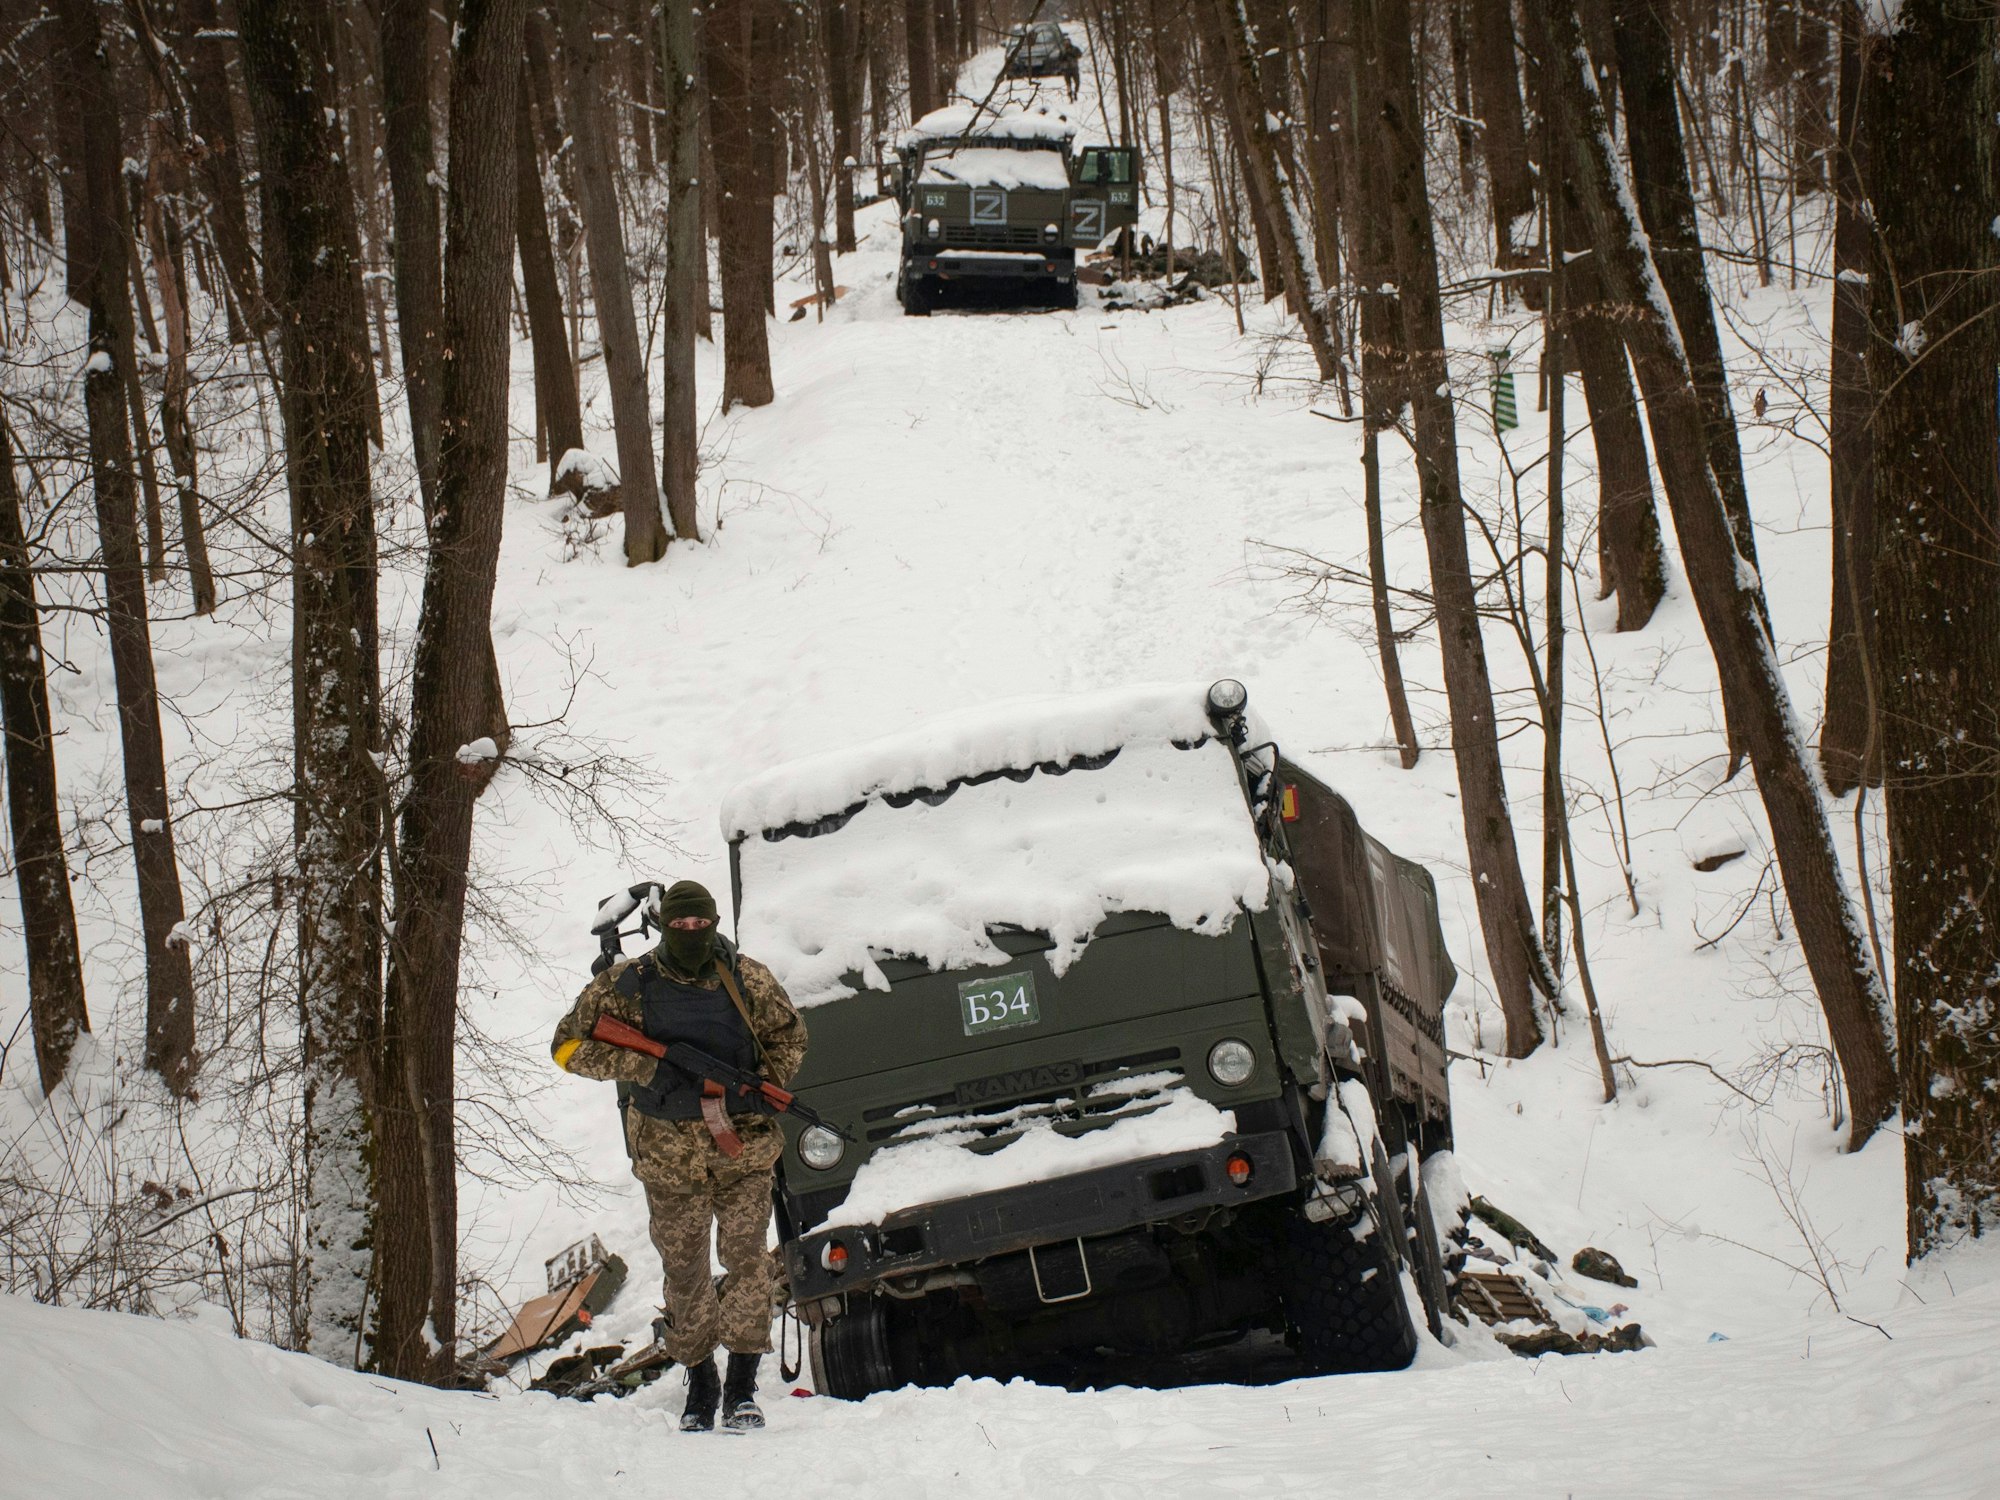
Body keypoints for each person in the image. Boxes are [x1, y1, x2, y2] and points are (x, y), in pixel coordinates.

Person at [551, 880, 807, 1432]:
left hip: (742, 1152)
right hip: (670, 1162)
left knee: (748, 1264)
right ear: (664, 924)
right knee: (684, 1272)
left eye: (700, 925)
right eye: (680, 925)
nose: (691, 934)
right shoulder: (628, 984)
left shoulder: (747, 978)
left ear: (714, 923)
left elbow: (791, 1036)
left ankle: (741, 1385)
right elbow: (567, 1046)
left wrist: (760, 1084)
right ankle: (702, 1382)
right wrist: (646, 1066)